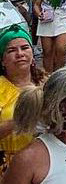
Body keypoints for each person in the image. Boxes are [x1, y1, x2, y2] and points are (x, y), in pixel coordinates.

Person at [0, 25, 39, 174]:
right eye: (11, 50)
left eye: (24, 48)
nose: (20, 54)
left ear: (33, 56)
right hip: (7, 166)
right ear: (2, 60)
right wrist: (20, 121)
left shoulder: (47, 86)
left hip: (43, 162)